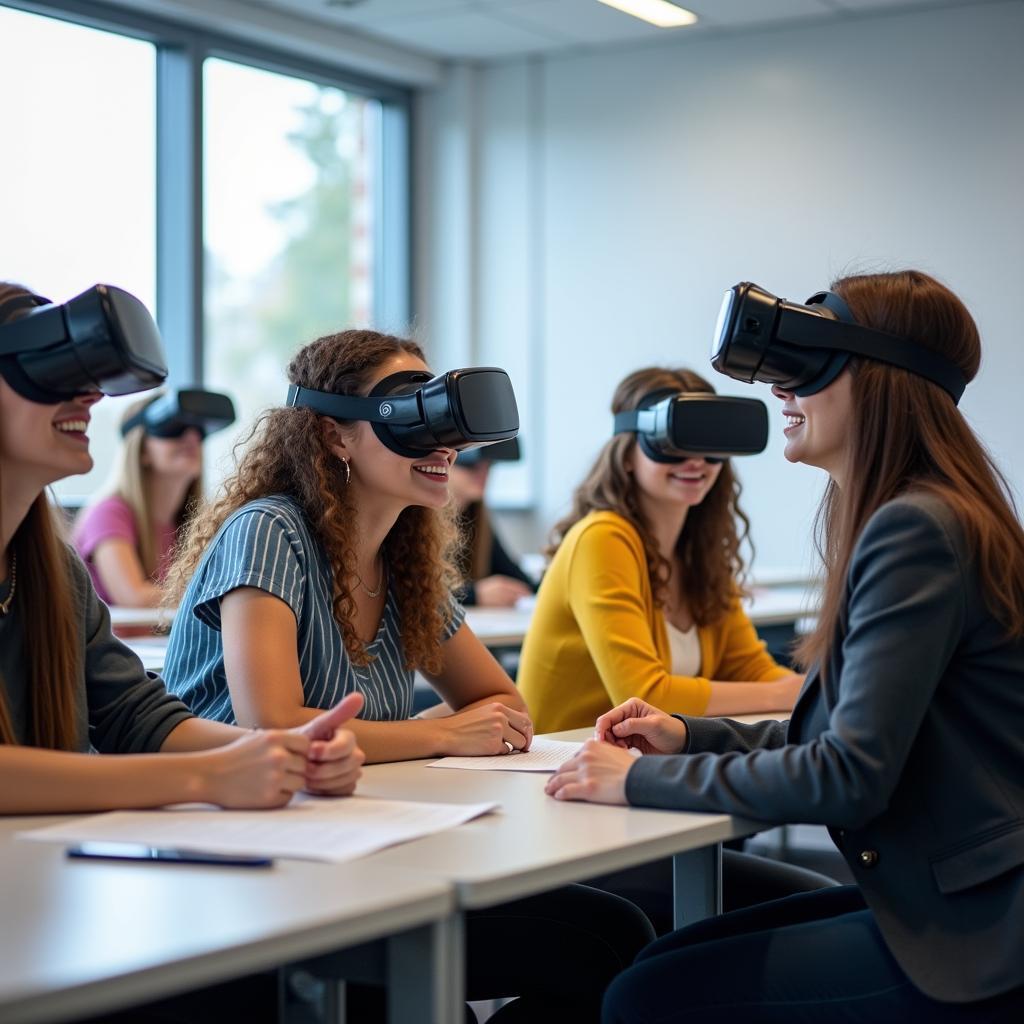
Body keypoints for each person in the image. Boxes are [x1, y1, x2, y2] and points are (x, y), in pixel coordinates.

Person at [547, 271, 1024, 1022]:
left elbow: (847, 776)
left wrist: (636, 780)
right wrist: (689, 736)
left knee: (644, 997)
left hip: (980, 935)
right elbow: (845, 740)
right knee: (655, 963)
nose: (781, 391)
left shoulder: (915, 529)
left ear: (880, 380)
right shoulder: (927, 514)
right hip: (961, 897)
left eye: (809, 369)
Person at [162, 327, 655, 1021]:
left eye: (442, 417)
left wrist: (429, 733)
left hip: (361, 838)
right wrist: (442, 734)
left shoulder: (404, 559)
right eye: (411, 414)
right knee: (581, 948)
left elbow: (504, 705)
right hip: (247, 862)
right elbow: (273, 725)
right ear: (335, 435)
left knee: (610, 936)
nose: (443, 443)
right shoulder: (269, 531)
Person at [0, 280, 364, 814]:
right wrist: (204, 777)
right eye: (46, 372)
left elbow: (134, 713)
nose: (91, 396)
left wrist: (284, 751)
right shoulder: (108, 519)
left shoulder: (54, 573)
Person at [518, 366, 803, 735]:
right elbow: (645, 694)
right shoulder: (601, 538)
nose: (695, 460)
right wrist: (782, 694)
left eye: (708, 443)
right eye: (672, 443)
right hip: (560, 760)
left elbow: (750, 668)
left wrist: (811, 692)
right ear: (626, 453)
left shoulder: (700, 554)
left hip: (642, 758)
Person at [72, 388, 233, 607]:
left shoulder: (191, 522)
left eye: (200, 430)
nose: (192, 438)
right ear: (141, 451)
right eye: (173, 429)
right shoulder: (108, 513)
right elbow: (134, 597)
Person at [450, 439, 537, 607]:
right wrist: (475, 595)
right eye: (471, 466)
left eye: (489, 466)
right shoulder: (418, 521)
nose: (484, 474)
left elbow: (516, 577)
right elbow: (414, 590)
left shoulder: (476, 518)